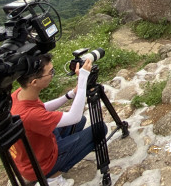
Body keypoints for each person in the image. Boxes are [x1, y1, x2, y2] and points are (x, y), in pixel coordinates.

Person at [10, 53, 106, 186]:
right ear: (34, 82)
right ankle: (52, 178)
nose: (52, 75)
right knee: (100, 129)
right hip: (39, 166)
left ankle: (61, 157)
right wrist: (83, 78)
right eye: (50, 72)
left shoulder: (18, 95)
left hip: (34, 152)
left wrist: (71, 94)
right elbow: (74, 116)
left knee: (81, 121)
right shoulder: (30, 115)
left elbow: (42, 108)